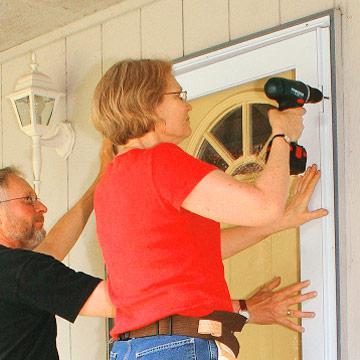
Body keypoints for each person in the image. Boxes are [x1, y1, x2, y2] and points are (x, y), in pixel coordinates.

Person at [0, 140, 324, 360]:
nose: (41, 206)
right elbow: (136, 303)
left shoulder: (17, 270)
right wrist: (244, 308)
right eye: (28, 200)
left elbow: (51, 250)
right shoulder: (16, 271)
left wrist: (102, 179)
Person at [91, 59, 327, 359]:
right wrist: (282, 135)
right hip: (175, 347)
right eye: (179, 96)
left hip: (137, 349)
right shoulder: (161, 161)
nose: (187, 106)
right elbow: (265, 205)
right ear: (149, 104)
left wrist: (278, 223)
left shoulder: (112, 181)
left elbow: (199, 249)